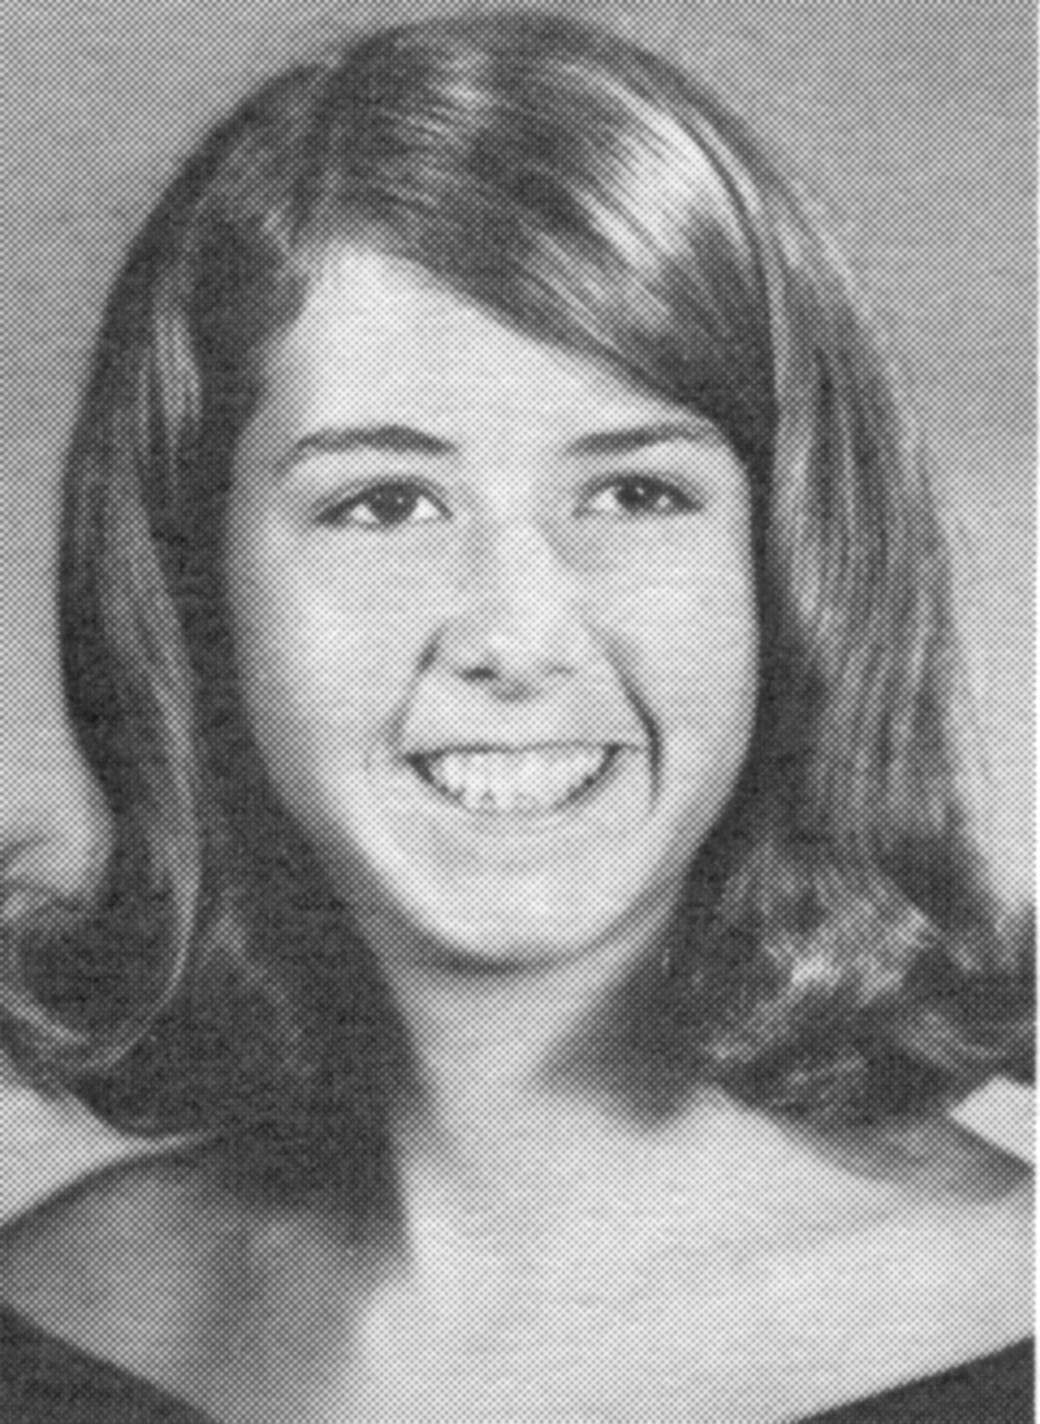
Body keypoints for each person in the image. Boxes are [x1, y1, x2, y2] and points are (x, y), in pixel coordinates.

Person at [0, 9, 1032, 1420]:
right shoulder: (54, 1318)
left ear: (795, 572)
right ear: (193, 586)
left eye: (636, 492)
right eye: (384, 504)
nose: (516, 636)